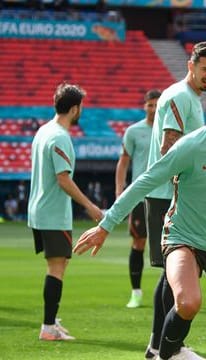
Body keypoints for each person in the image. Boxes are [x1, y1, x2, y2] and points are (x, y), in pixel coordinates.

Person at [74, 75, 206, 360]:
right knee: (188, 302)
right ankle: (165, 355)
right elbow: (145, 181)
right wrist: (106, 224)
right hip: (183, 237)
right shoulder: (194, 145)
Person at [142, 41, 206, 359]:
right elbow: (169, 149)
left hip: (170, 194)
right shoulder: (179, 97)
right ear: (191, 65)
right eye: (205, 69)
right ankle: (166, 347)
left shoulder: (190, 98)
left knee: (171, 273)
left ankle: (159, 346)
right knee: (173, 272)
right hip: (167, 195)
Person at [27, 82, 104, 341]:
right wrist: (90, 206)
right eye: (80, 106)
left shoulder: (43, 131)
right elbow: (63, 179)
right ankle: (48, 327)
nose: (81, 110)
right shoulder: (60, 136)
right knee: (57, 268)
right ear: (74, 109)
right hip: (52, 213)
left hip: (39, 209)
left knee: (59, 264)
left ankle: (52, 318)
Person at [115, 89, 161, 308]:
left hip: (165, 194)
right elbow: (123, 162)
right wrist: (119, 192)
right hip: (140, 195)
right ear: (145, 106)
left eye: (156, 104)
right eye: (150, 104)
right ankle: (136, 292)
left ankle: (171, 293)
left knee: (172, 244)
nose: (153, 108)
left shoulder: (169, 130)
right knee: (138, 242)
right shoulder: (134, 131)